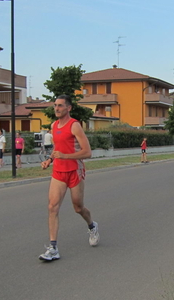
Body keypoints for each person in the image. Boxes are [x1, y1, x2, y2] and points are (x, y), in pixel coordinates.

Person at [39, 95, 99, 261]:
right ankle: (53, 247)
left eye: (60, 106)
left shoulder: (75, 126)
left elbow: (87, 152)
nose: (56, 108)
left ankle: (92, 226)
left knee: (78, 208)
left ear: (68, 108)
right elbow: (58, 148)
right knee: (52, 207)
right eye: (55, 106)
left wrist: (65, 156)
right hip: (59, 171)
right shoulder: (54, 125)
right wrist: (50, 160)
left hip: (74, 170)